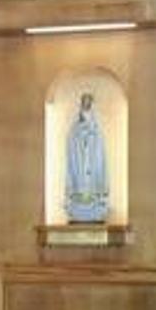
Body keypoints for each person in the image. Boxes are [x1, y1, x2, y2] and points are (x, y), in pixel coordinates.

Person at [65, 92, 109, 222]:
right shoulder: (74, 128)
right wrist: (80, 136)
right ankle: (77, 201)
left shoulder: (97, 129)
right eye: (84, 101)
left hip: (92, 161)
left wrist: (91, 136)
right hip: (79, 162)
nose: (86, 104)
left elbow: (100, 151)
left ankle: (97, 202)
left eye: (88, 101)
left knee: (94, 172)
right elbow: (71, 147)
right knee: (78, 174)